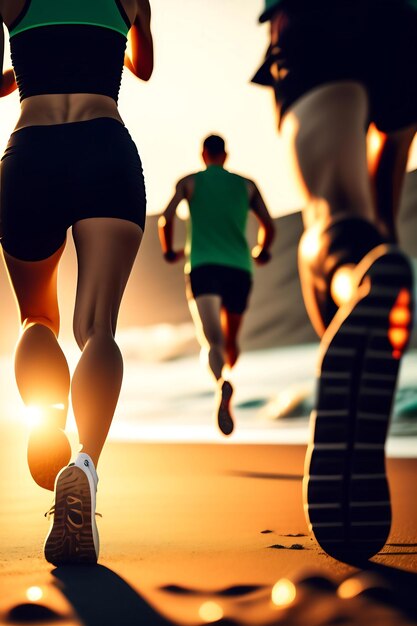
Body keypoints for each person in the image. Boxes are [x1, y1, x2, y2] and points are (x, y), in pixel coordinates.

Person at [252, 0, 416, 560]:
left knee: (331, 211)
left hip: (319, 13)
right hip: (402, 22)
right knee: (372, 229)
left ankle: (356, 283)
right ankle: (365, 278)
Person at [0, 0, 153, 565]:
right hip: (104, 147)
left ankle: (45, 419)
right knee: (97, 328)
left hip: (31, 150)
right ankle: (85, 464)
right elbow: (143, 67)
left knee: (37, 317)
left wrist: (26, 64)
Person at [158, 135, 275, 436]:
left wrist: (169, 249)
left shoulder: (189, 182)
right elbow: (268, 225)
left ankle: (221, 381)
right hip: (238, 268)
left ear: (203, 155)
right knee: (232, 342)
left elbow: (165, 217)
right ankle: (227, 374)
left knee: (213, 342)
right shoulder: (246, 185)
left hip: (203, 267)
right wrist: (262, 249)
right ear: (225, 155)